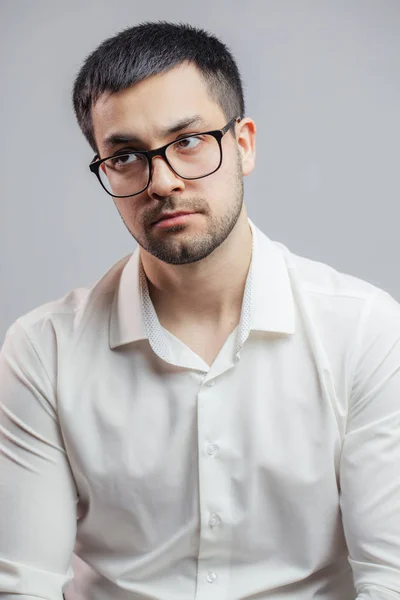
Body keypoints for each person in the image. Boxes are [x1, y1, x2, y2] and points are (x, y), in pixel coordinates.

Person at [0, 20, 399, 600]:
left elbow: (390, 579)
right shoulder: (44, 349)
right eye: (127, 156)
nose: (161, 181)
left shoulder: (363, 330)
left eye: (187, 142)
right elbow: (24, 586)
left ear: (242, 145)